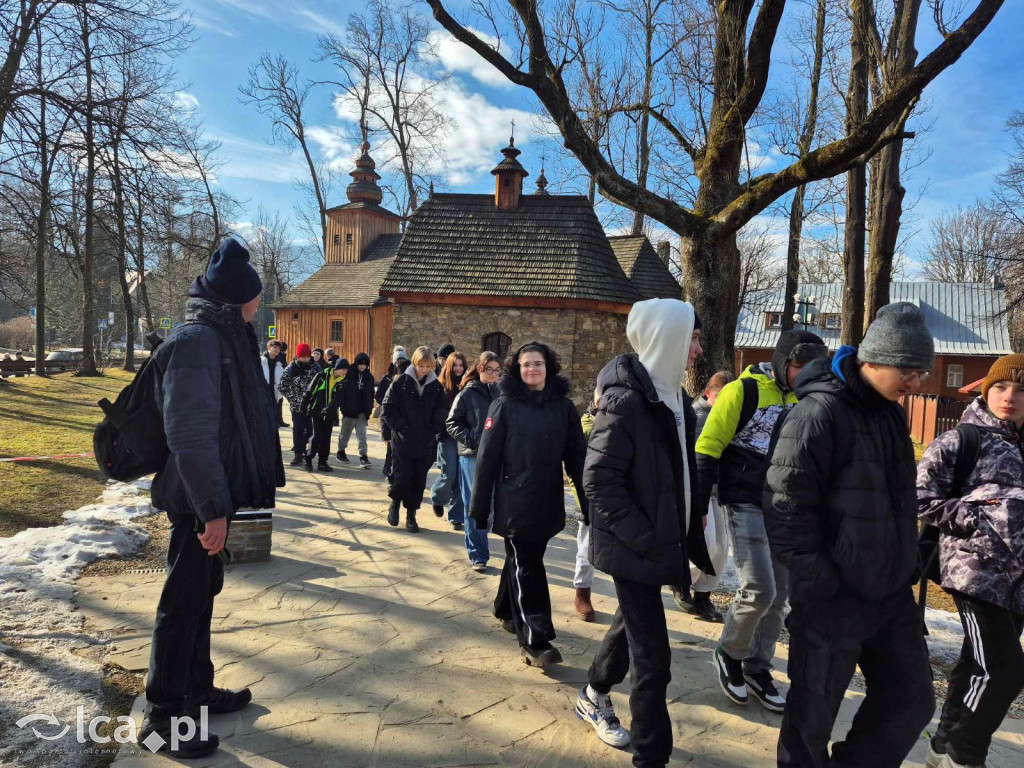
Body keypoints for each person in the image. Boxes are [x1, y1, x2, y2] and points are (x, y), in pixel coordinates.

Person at [764, 302, 938, 767]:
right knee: (810, 722)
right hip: (832, 598)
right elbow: (785, 506)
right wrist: (821, 578)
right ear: (875, 359)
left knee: (912, 699)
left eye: (920, 373)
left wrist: (909, 560)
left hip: (890, 594)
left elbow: (900, 501)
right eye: (909, 370)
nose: (916, 383)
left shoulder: (889, 415)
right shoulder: (818, 414)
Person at [141, 238, 284, 758]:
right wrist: (212, 510)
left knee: (201, 596)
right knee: (180, 606)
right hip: (195, 501)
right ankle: (162, 718)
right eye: (256, 297)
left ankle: (195, 690)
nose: (259, 304)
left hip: (210, 497)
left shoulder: (224, 337)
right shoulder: (198, 342)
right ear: (237, 298)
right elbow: (191, 435)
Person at [576, 299, 712, 765]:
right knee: (654, 660)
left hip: (657, 541)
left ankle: (593, 691)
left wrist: (693, 517)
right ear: (668, 338)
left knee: (628, 627)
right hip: (635, 545)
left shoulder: (674, 398)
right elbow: (598, 481)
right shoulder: (625, 401)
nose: (698, 349)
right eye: (693, 337)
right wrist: (647, 538)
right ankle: (651, 757)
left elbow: (674, 474)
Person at [697, 329, 827, 712]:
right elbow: (708, 446)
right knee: (760, 590)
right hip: (744, 500)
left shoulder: (808, 399)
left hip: (785, 506)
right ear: (783, 361)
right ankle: (730, 652)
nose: (805, 374)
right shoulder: (743, 392)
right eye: (799, 366)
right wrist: (699, 506)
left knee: (779, 597)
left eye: (812, 368)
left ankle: (757, 666)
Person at [918, 353, 1024, 768]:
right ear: (986, 391)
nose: (1009, 397)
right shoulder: (961, 439)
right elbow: (922, 498)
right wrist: (979, 514)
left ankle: (941, 745)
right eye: (1000, 387)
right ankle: (965, 756)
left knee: (974, 665)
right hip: (974, 571)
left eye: (1020, 390)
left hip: (1017, 579)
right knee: (1003, 670)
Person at [471, 341, 587, 669]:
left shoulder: (563, 408)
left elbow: (577, 457)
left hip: (547, 500)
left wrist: (587, 501)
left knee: (525, 559)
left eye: (537, 363)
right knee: (528, 565)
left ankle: (505, 608)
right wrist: (479, 508)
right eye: (525, 365)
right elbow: (486, 459)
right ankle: (536, 639)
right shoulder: (505, 405)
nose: (531, 369)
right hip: (514, 501)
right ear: (517, 369)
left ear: (549, 367)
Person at [671, 369, 736, 622]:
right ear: (709, 393)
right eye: (721, 395)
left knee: (721, 548)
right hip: (699, 492)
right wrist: (697, 504)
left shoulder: (730, 416)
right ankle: (681, 583)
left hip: (719, 491)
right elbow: (697, 462)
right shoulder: (699, 416)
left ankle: (704, 596)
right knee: (705, 544)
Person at [381, 346, 447, 532]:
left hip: (424, 441)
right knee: (402, 475)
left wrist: (433, 429)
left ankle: (411, 514)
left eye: (427, 366)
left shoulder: (435, 387)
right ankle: (395, 503)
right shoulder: (401, 382)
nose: (424, 370)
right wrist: (400, 427)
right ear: (414, 364)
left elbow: (441, 411)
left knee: (418, 479)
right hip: (403, 439)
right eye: (421, 366)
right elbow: (388, 407)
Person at [447, 351, 502, 571]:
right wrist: (472, 439)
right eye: (490, 369)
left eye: (497, 370)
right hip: (472, 457)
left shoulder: (503, 394)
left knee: (492, 505)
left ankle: (483, 536)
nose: (493, 374)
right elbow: (452, 423)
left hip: (498, 456)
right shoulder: (467, 394)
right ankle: (478, 554)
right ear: (480, 369)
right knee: (474, 505)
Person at [431, 351, 467, 529]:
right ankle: (438, 497)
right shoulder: (440, 387)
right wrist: (439, 431)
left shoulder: (468, 387)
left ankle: (456, 516)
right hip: (446, 438)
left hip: (464, 438)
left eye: (461, 365)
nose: (459, 369)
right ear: (449, 366)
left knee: (462, 477)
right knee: (449, 473)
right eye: (455, 365)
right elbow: (435, 413)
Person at [279, 343, 322, 467]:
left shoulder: (316, 368)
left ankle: (307, 453)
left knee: (309, 430)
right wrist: (294, 398)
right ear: (297, 356)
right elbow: (282, 386)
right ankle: (298, 455)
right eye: (302, 356)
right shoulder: (290, 369)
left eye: (307, 356)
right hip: (296, 406)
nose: (305, 359)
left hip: (312, 406)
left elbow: (321, 385)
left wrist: (315, 400)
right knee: (298, 429)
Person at [303, 357, 348, 472]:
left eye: (346, 370)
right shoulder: (321, 376)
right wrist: (304, 406)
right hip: (317, 411)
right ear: (336, 368)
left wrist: (330, 409)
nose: (345, 372)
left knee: (326, 438)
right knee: (317, 437)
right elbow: (310, 391)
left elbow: (339, 399)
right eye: (344, 369)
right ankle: (308, 458)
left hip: (330, 414)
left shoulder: (343, 381)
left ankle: (322, 462)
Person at [334, 352, 375, 468]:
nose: (362, 366)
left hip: (362, 411)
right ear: (356, 363)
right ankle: (341, 452)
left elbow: (371, 393)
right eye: (360, 364)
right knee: (345, 434)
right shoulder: (349, 373)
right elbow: (342, 391)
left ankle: (363, 456)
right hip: (349, 410)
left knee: (362, 435)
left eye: (365, 364)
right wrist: (344, 406)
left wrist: (369, 409)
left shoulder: (369, 377)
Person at [380, 356, 411, 479]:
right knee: (392, 454)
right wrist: (385, 434)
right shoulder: (394, 387)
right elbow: (385, 413)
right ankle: (389, 473)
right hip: (394, 429)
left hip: (407, 431)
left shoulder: (412, 387)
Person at [261, 340, 287, 428]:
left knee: (274, 413)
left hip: (274, 390)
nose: (277, 349)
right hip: (263, 390)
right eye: (275, 347)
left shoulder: (279, 362)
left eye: (279, 348)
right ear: (269, 347)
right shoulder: (260, 360)